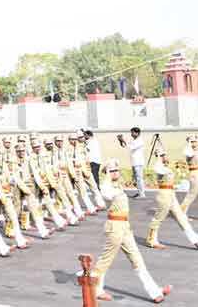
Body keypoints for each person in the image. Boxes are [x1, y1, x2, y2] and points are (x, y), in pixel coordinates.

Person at [91, 158, 171, 303]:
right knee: (106, 259)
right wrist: (107, 176)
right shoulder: (105, 185)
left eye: (117, 170)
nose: (116, 173)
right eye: (112, 170)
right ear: (107, 172)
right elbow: (108, 195)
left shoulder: (118, 185)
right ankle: (96, 289)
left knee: (137, 259)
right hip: (114, 226)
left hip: (124, 226)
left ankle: (154, 291)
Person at [118, 127, 146, 198]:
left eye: (133, 132)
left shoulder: (140, 140)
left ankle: (142, 194)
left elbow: (131, 147)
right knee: (136, 179)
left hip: (138, 162)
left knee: (139, 178)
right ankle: (139, 192)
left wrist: (123, 140)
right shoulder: (134, 140)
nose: (132, 134)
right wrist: (120, 141)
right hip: (134, 162)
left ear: (137, 133)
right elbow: (125, 146)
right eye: (131, 132)